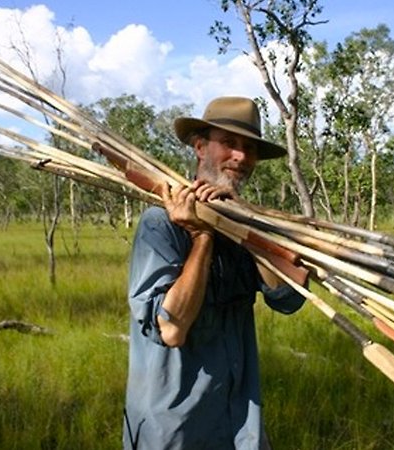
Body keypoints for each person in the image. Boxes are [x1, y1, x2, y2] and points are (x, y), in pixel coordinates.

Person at [123, 96, 306, 449]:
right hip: (175, 430)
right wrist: (202, 236)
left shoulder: (248, 223)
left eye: (249, 148)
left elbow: (288, 299)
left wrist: (247, 225)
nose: (240, 156)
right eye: (230, 144)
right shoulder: (161, 224)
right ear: (200, 147)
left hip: (241, 427)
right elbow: (172, 328)